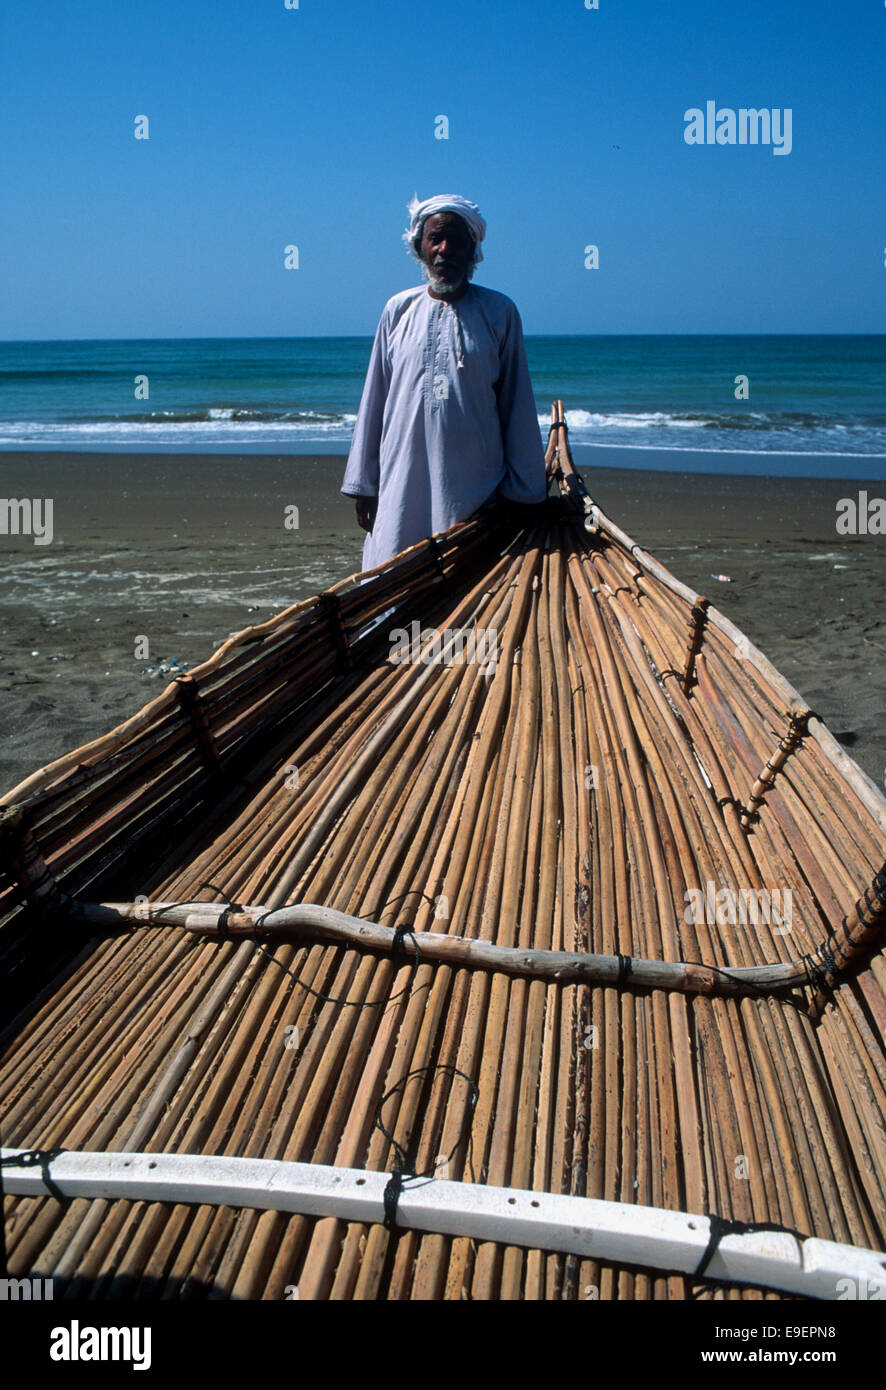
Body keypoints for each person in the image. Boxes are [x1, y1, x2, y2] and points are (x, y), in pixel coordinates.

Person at [341, 193, 548, 570]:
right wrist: (364, 486)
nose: (444, 250)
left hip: (473, 491)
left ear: (474, 249)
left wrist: (525, 493)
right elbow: (374, 399)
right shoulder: (397, 310)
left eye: (456, 240)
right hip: (398, 485)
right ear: (419, 246)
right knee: (391, 577)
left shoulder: (499, 313)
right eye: (435, 238)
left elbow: (516, 404)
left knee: (464, 588)